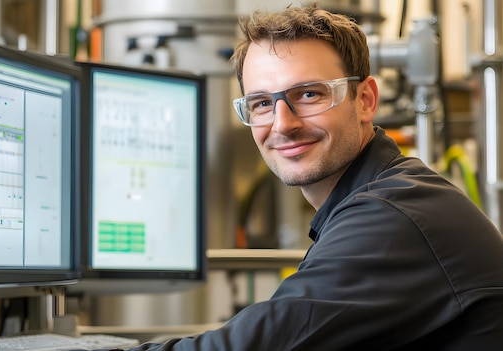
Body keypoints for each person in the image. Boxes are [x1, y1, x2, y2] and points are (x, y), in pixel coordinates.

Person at [120, 4, 503, 350]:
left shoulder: (391, 215)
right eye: (262, 104)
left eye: (309, 95)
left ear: (366, 100)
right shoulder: (380, 197)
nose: (282, 124)